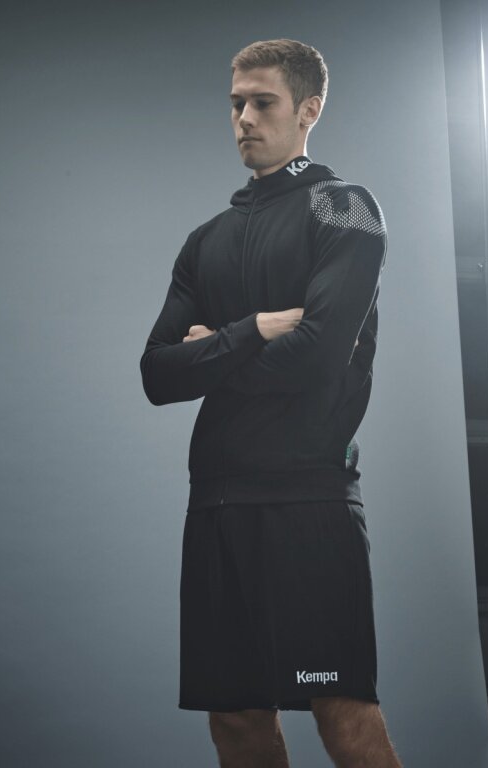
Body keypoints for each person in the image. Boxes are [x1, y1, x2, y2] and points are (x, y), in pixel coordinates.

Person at [140, 38, 402, 768]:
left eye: (263, 103)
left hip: (307, 502)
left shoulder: (345, 208)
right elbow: (157, 373)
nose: (244, 119)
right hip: (217, 503)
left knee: (343, 714)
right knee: (236, 721)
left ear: (308, 110)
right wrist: (251, 330)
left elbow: (318, 357)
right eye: (236, 104)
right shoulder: (205, 240)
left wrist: (211, 354)